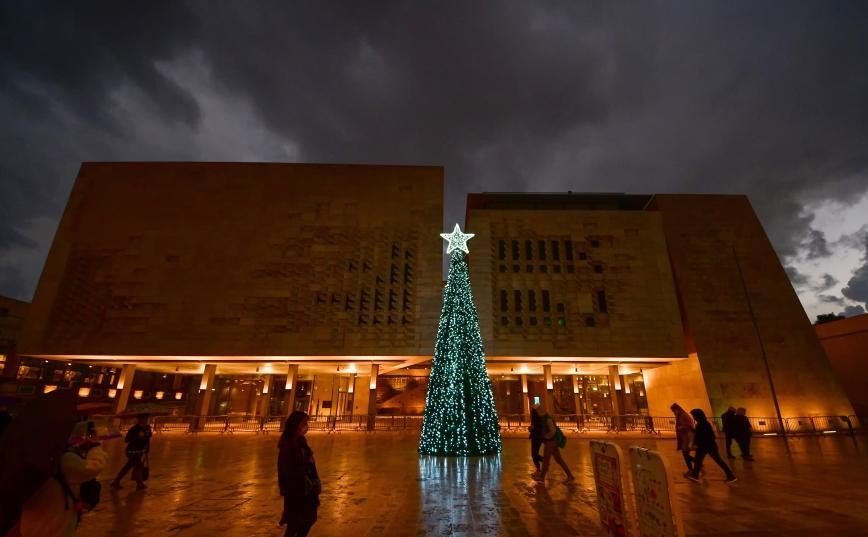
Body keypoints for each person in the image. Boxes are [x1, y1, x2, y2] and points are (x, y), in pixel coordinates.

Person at [19, 422, 109, 536]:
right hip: (54, 524)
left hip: (30, 525)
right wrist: (95, 447)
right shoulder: (63, 459)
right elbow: (93, 467)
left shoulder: (20, 461)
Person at [278, 411, 320, 537]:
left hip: (307, 487)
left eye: (306, 423)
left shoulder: (301, 441)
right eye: (303, 423)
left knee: (309, 518)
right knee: (295, 523)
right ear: (295, 425)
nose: (306, 426)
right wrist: (308, 464)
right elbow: (287, 470)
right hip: (296, 490)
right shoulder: (288, 445)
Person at [685, 408, 737, 484]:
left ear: (697, 416)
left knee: (715, 460)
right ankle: (695, 475)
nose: (693, 417)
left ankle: (731, 476)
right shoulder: (703, 423)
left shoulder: (702, 424)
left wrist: (695, 441)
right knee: (698, 460)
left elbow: (703, 435)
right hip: (707, 446)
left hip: (706, 446)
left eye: (693, 415)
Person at [531, 406, 574, 483]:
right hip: (552, 441)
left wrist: (546, 436)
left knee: (546, 460)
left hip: (550, 442)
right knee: (559, 459)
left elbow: (552, 431)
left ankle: (542, 478)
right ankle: (570, 475)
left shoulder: (547, 419)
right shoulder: (546, 418)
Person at [110, 414, 152, 491]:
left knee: (128, 466)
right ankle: (139, 484)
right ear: (139, 419)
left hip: (140, 451)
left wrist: (147, 448)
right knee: (138, 466)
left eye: (146, 418)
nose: (145, 420)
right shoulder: (135, 429)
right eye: (143, 418)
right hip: (132, 451)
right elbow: (127, 439)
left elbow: (148, 438)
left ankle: (116, 481)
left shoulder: (147, 428)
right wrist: (137, 439)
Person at [671, 403, 695, 473]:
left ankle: (691, 469)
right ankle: (696, 462)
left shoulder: (684, 415)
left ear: (677, 409)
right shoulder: (679, 416)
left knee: (685, 454)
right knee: (685, 454)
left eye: (674, 410)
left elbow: (690, 425)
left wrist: (681, 427)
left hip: (686, 438)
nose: (674, 412)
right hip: (683, 438)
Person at [528, 403, 544, 472]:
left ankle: (539, 467)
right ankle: (543, 462)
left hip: (536, 437)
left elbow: (538, 427)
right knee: (534, 453)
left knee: (534, 454)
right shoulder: (539, 417)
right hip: (536, 436)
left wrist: (532, 429)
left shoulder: (537, 417)